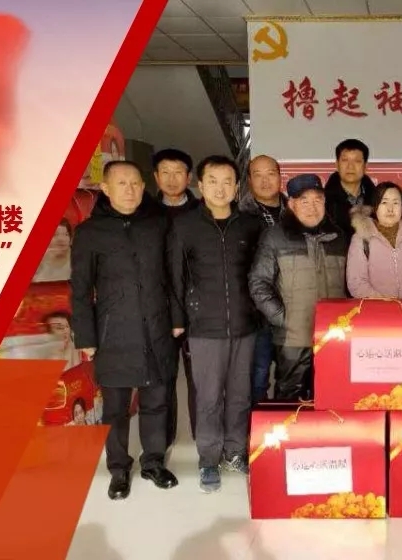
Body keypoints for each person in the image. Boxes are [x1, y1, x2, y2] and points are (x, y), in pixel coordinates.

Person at [70, 160, 179, 500]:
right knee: (115, 409)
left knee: (157, 401)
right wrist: (86, 337)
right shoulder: (90, 232)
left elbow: (173, 276)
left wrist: (177, 320)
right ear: (105, 188)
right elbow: (80, 289)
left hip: (157, 328)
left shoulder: (158, 224)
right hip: (113, 333)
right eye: (121, 183)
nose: (130, 190)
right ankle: (118, 469)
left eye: (135, 183)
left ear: (144, 187)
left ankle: (153, 462)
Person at [167, 155, 263, 493]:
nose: (220, 189)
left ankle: (235, 451)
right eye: (212, 181)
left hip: (245, 324)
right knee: (208, 397)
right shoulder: (185, 226)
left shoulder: (250, 225)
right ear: (200, 185)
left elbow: (260, 274)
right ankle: (208, 458)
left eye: (227, 182)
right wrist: (178, 319)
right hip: (204, 326)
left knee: (240, 395)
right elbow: (175, 277)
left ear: (237, 187)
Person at [249, 174, 347, 402]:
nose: (312, 207)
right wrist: (283, 319)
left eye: (317, 200)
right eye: (304, 201)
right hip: (293, 340)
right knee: (290, 402)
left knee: (331, 398)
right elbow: (258, 282)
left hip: (333, 338)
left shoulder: (339, 237)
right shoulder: (275, 237)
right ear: (291, 204)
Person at [152, 147, 200, 447]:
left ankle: (202, 437)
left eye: (178, 172)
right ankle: (163, 439)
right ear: (156, 177)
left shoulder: (203, 211)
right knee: (162, 378)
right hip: (158, 307)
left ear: (189, 177)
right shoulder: (144, 214)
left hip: (196, 308)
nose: (172, 179)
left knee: (199, 378)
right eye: (165, 173)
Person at [240, 155, 285, 403]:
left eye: (271, 174)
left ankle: (286, 421)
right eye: (258, 175)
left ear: (280, 177)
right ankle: (256, 422)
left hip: (292, 308)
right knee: (257, 375)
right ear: (249, 180)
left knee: (292, 375)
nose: (265, 181)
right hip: (256, 312)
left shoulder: (297, 210)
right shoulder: (239, 216)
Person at [347, 182, 402, 299]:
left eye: (396, 203)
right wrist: (385, 304)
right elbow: (356, 282)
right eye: (384, 202)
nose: (390, 209)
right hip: (376, 308)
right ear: (375, 207)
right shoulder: (361, 239)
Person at [324, 138, 376, 245]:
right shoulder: (323, 202)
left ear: (365, 166)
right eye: (345, 160)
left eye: (357, 161)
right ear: (337, 164)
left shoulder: (378, 200)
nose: (350, 166)